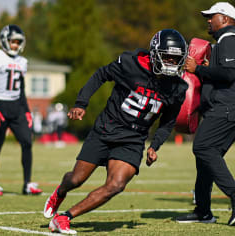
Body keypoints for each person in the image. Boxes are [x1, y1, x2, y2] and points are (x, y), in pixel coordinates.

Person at [43, 29, 188, 234]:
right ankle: (60, 191)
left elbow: (168, 121)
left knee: (116, 185)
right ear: (155, 53)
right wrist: (81, 103)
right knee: (76, 179)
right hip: (106, 128)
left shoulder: (178, 88)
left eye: (177, 59)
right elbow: (101, 74)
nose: (172, 63)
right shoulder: (131, 64)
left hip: (133, 138)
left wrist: (155, 145)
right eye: (168, 57)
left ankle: (64, 218)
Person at [176, 2, 235, 226]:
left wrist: (197, 69)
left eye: (212, 16)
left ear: (226, 18)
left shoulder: (229, 39)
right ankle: (203, 212)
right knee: (206, 158)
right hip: (230, 106)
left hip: (230, 106)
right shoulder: (224, 41)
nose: (208, 20)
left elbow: (229, 74)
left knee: (202, 147)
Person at [0, 24, 42, 196]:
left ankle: (27, 184)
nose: (15, 45)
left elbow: (21, 89)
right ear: (4, 41)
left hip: (16, 107)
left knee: (27, 142)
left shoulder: (22, 62)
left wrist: (26, 110)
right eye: (13, 41)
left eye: (18, 42)